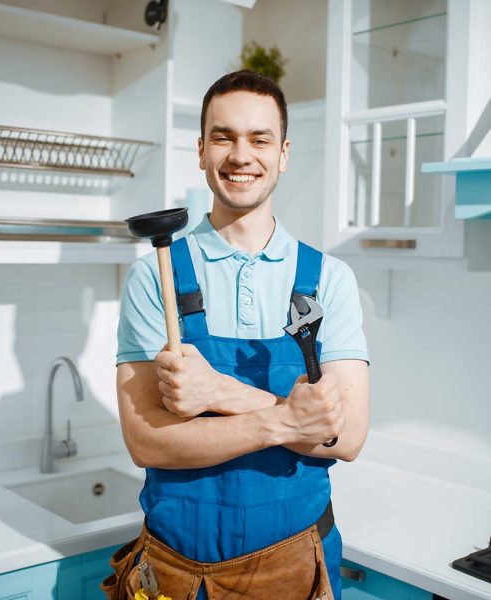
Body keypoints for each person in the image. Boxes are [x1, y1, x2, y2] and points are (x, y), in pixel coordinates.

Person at [110, 70, 369, 600]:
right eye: (224, 137)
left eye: (260, 138)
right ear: (202, 150)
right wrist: (284, 422)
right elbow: (146, 441)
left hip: (300, 569)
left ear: (284, 153)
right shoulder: (154, 274)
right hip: (176, 572)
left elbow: (346, 439)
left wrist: (220, 394)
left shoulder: (328, 280)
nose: (240, 155)